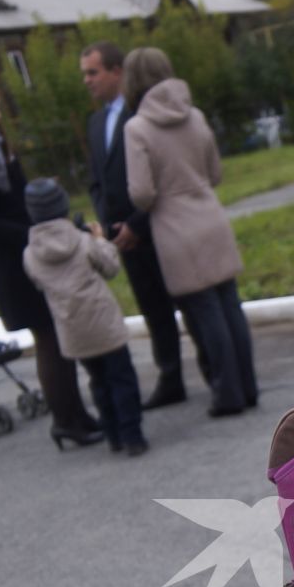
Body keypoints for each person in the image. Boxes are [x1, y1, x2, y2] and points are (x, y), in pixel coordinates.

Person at [0, 74, 101, 450]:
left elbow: (22, 198)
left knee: (59, 338)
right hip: (13, 264)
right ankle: (65, 420)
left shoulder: (2, 148)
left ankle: (77, 414)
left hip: (36, 251)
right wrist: (33, 235)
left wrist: (48, 222)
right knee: (47, 339)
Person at [120, 47, 258, 418]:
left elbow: (142, 193)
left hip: (174, 225)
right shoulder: (195, 115)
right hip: (210, 216)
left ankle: (227, 394)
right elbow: (215, 173)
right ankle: (247, 387)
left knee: (205, 312)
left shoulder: (136, 128)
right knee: (230, 304)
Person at [82, 40, 193, 410]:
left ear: (117, 72)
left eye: (93, 72)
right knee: (152, 309)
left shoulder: (142, 113)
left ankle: (214, 368)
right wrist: (112, 227)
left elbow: (160, 178)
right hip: (123, 238)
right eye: (84, 74)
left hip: (154, 227)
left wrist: (136, 224)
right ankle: (170, 377)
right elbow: (97, 178)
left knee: (188, 302)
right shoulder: (96, 122)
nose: (87, 81)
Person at [22, 178, 147, 456]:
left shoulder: (30, 254)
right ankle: (133, 436)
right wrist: (100, 239)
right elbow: (111, 267)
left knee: (98, 381)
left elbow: (38, 281)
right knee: (122, 378)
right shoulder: (82, 240)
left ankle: (113, 435)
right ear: (63, 206)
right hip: (103, 323)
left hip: (72, 329)